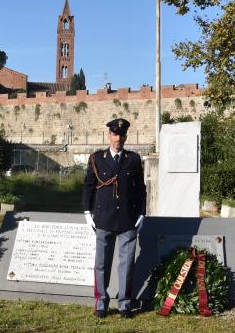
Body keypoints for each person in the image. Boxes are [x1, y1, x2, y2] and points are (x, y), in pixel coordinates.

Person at [83, 118, 146, 319]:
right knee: (102, 263)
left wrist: (142, 213)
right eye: (115, 134)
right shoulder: (97, 159)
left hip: (128, 218)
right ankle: (101, 301)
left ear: (125, 137)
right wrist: (87, 212)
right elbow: (88, 186)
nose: (118, 138)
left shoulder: (133, 159)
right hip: (103, 217)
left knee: (127, 263)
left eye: (122, 135)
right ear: (109, 135)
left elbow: (140, 189)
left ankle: (124, 304)